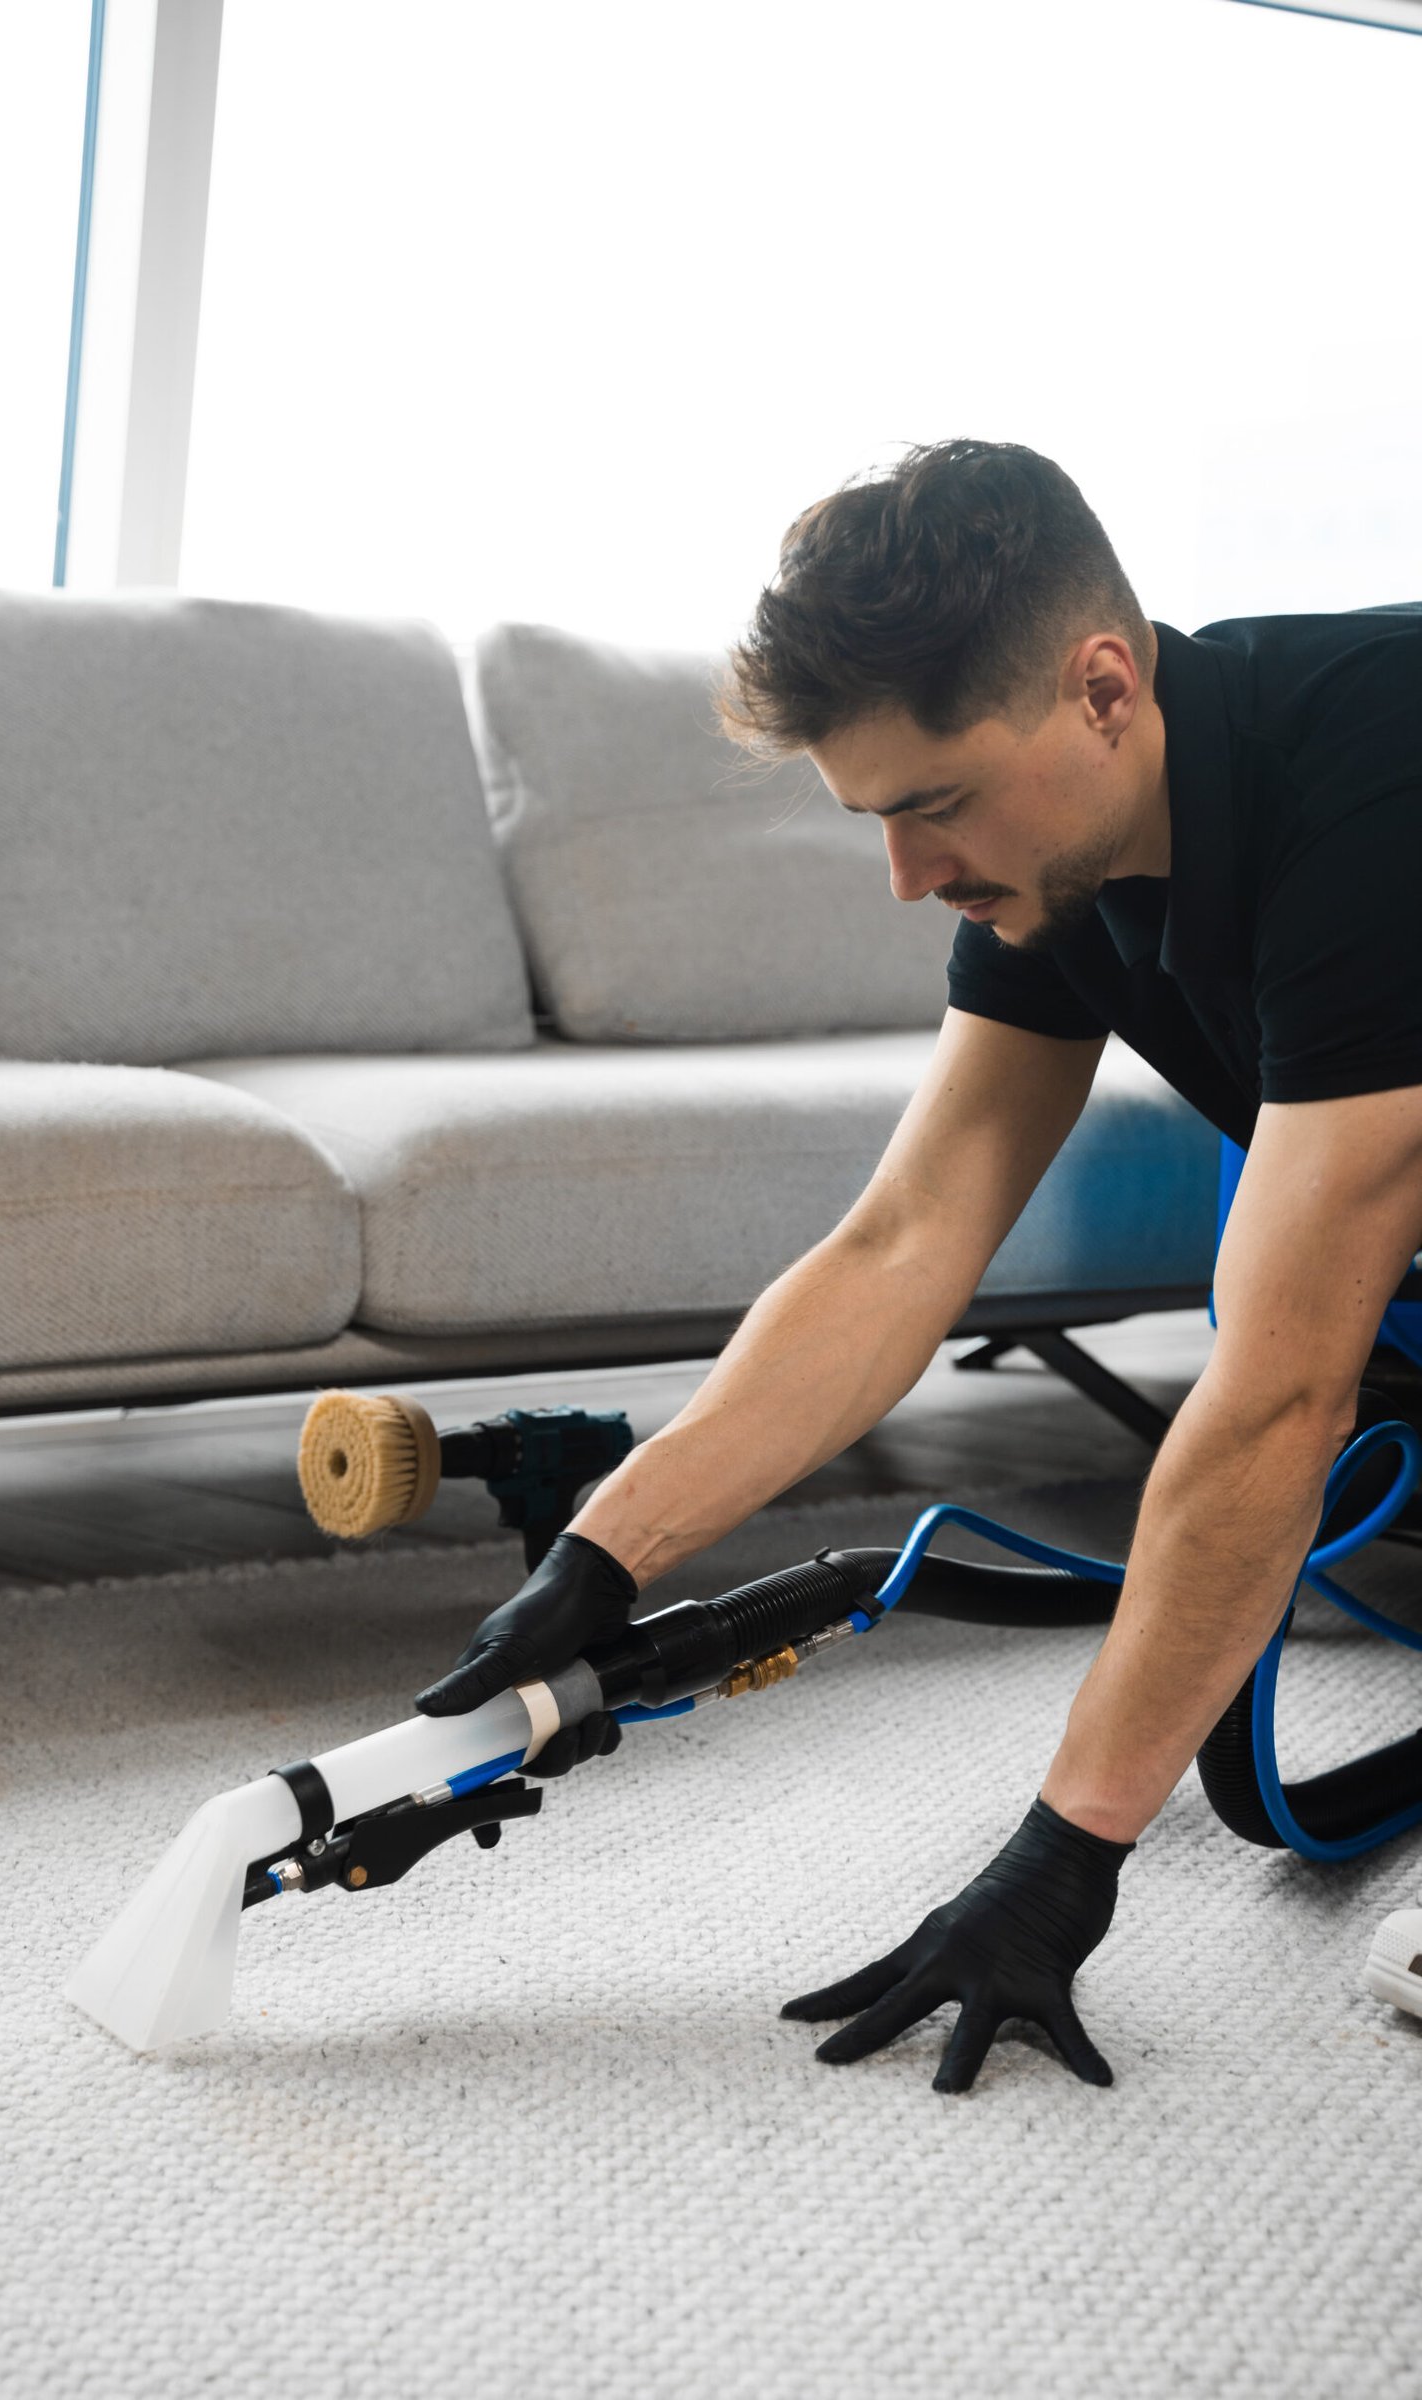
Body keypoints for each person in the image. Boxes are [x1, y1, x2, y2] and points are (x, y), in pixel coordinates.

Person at [415, 437, 1422, 2092]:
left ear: (1104, 688)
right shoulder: (1068, 862)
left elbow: (1276, 1395)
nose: (908, 878)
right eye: (876, 820)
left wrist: (1067, 1853)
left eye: (934, 806)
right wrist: (608, 1550)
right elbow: (903, 1242)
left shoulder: (1380, 774)